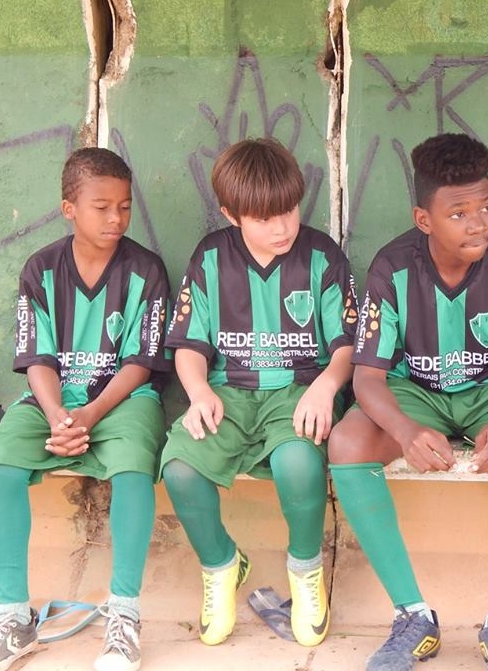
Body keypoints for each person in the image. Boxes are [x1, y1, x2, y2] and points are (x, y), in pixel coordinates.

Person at [328, 133, 488, 671]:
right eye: (460, 213)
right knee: (347, 442)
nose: (478, 224)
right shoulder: (392, 267)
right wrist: (404, 431)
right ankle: (412, 615)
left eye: (486, 207)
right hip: (416, 393)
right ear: (424, 219)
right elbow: (368, 378)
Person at [159, 138, 357, 648]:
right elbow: (189, 346)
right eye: (264, 218)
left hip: (299, 390)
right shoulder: (211, 258)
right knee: (180, 468)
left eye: (289, 210)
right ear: (232, 215)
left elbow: (347, 345)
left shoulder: (322, 257)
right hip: (228, 392)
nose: (282, 227)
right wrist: (197, 392)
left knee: (298, 462)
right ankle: (221, 564)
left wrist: (327, 387)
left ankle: (306, 571)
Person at [0, 147, 172, 671]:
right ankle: (14, 618)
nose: (116, 218)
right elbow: (37, 359)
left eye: (125, 207)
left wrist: (90, 414)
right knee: (1, 467)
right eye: (101, 207)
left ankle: (124, 613)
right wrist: (57, 415)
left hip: (123, 399)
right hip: (53, 399)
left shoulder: (145, 270)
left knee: (133, 469)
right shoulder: (41, 269)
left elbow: (141, 362)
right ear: (69, 209)